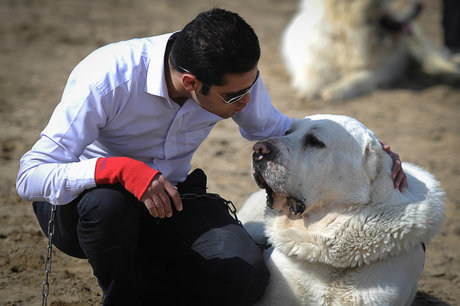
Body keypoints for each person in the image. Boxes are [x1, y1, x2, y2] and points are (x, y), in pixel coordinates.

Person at [16, 8, 407, 306]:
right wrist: (118, 170)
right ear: (191, 83)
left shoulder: (231, 76)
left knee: (246, 279)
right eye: (235, 97)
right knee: (109, 204)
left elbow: (279, 128)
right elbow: (31, 176)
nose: (247, 102)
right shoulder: (106, 77)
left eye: (251, 86)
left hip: (172, 196)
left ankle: (146, 281)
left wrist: (364, 146)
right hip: (85, 211)